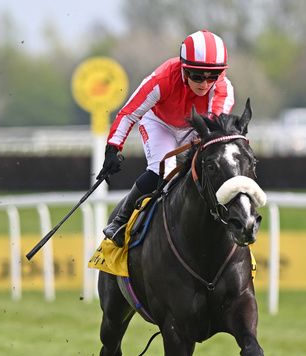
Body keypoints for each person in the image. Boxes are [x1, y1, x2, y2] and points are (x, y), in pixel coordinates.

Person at [100, 29, 235, 246]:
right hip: (159, 124)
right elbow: (129, 113)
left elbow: (212, 129)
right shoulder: (162, 79)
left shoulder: (223, 89)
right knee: (162, 171)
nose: (204, 83)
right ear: (184, 69)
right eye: (197, 75)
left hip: (196, 127)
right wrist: (113, 149)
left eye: (213, 76)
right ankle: (121, 220)